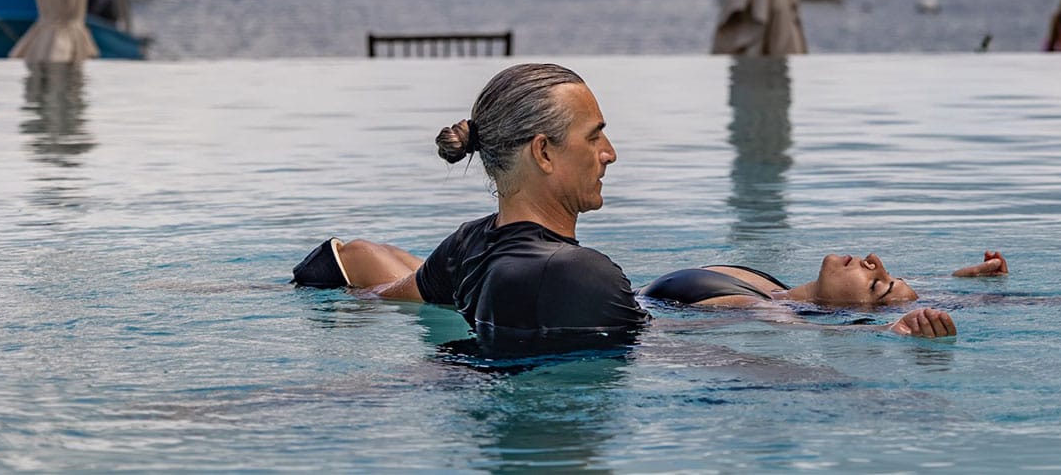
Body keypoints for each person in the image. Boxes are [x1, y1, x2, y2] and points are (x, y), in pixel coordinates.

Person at [292, 63, 648, 353]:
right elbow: (669, 357)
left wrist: (334, 272)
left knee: (363, 254)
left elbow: (387, 291)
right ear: (543, 153)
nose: (609, 153)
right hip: (533, 429)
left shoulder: (470, 244)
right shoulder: (575, 272)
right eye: (593, 137)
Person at [640, 249, 1009, 337]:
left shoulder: (763, 307)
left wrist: (887, 331)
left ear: (844, 308)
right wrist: (962, 279)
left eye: (877, 285)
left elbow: (805, 330)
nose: (875, 261)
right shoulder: (778, 291)